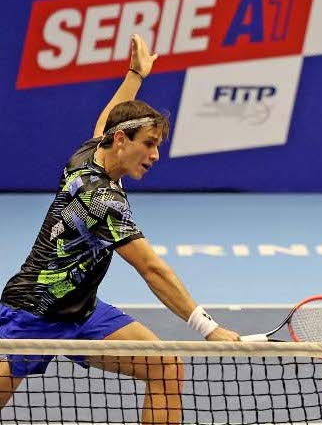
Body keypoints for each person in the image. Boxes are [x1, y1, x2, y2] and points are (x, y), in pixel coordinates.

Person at [0, 34, 240, 423]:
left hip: (82, 312)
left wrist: (134, 75)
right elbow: (152, 269)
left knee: (165, 366)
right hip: (32, 312)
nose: (155, 155)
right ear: (121, 140)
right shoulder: (101, 201)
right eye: (148, 144)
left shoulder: (91, 154)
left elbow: (106, 117)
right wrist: (207, 327)